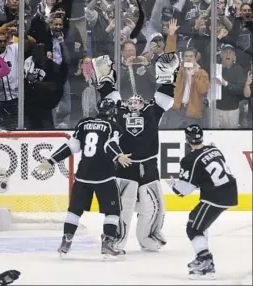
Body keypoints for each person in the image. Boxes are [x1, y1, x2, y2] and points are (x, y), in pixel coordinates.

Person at [92, 46, 180, 251]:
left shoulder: (152, 111)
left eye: (137, 101)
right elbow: (109, 95)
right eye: (130, 101)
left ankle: (149, 237)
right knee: (123, 206)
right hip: (124, 166)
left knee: (154, 207)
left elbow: (165, 98)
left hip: (149, 165)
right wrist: (105, 78)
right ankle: (115, 239)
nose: (134, 103)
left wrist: (167, 75)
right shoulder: (118, 110)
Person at [34, 99, 132, 258]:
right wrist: (118, 155)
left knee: (74, 210)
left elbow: (72, 147)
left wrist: (52, 160)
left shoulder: (84, 123)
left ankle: (66, 242)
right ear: (113, 111)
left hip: (83, 175)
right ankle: (107, 243)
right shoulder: (113, 126)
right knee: (113, 212)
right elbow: (109, 144)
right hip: (104, 176)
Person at [168, 124, 238, 279]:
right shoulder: (215, 149)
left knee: (193, 227)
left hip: (215, 196)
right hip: (230, 192)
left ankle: (206, 263)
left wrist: (174, 186)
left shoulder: (190, 159)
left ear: (187, 139)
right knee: (198, 222)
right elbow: (207, 174)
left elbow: (183, 191)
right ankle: (203, 258)